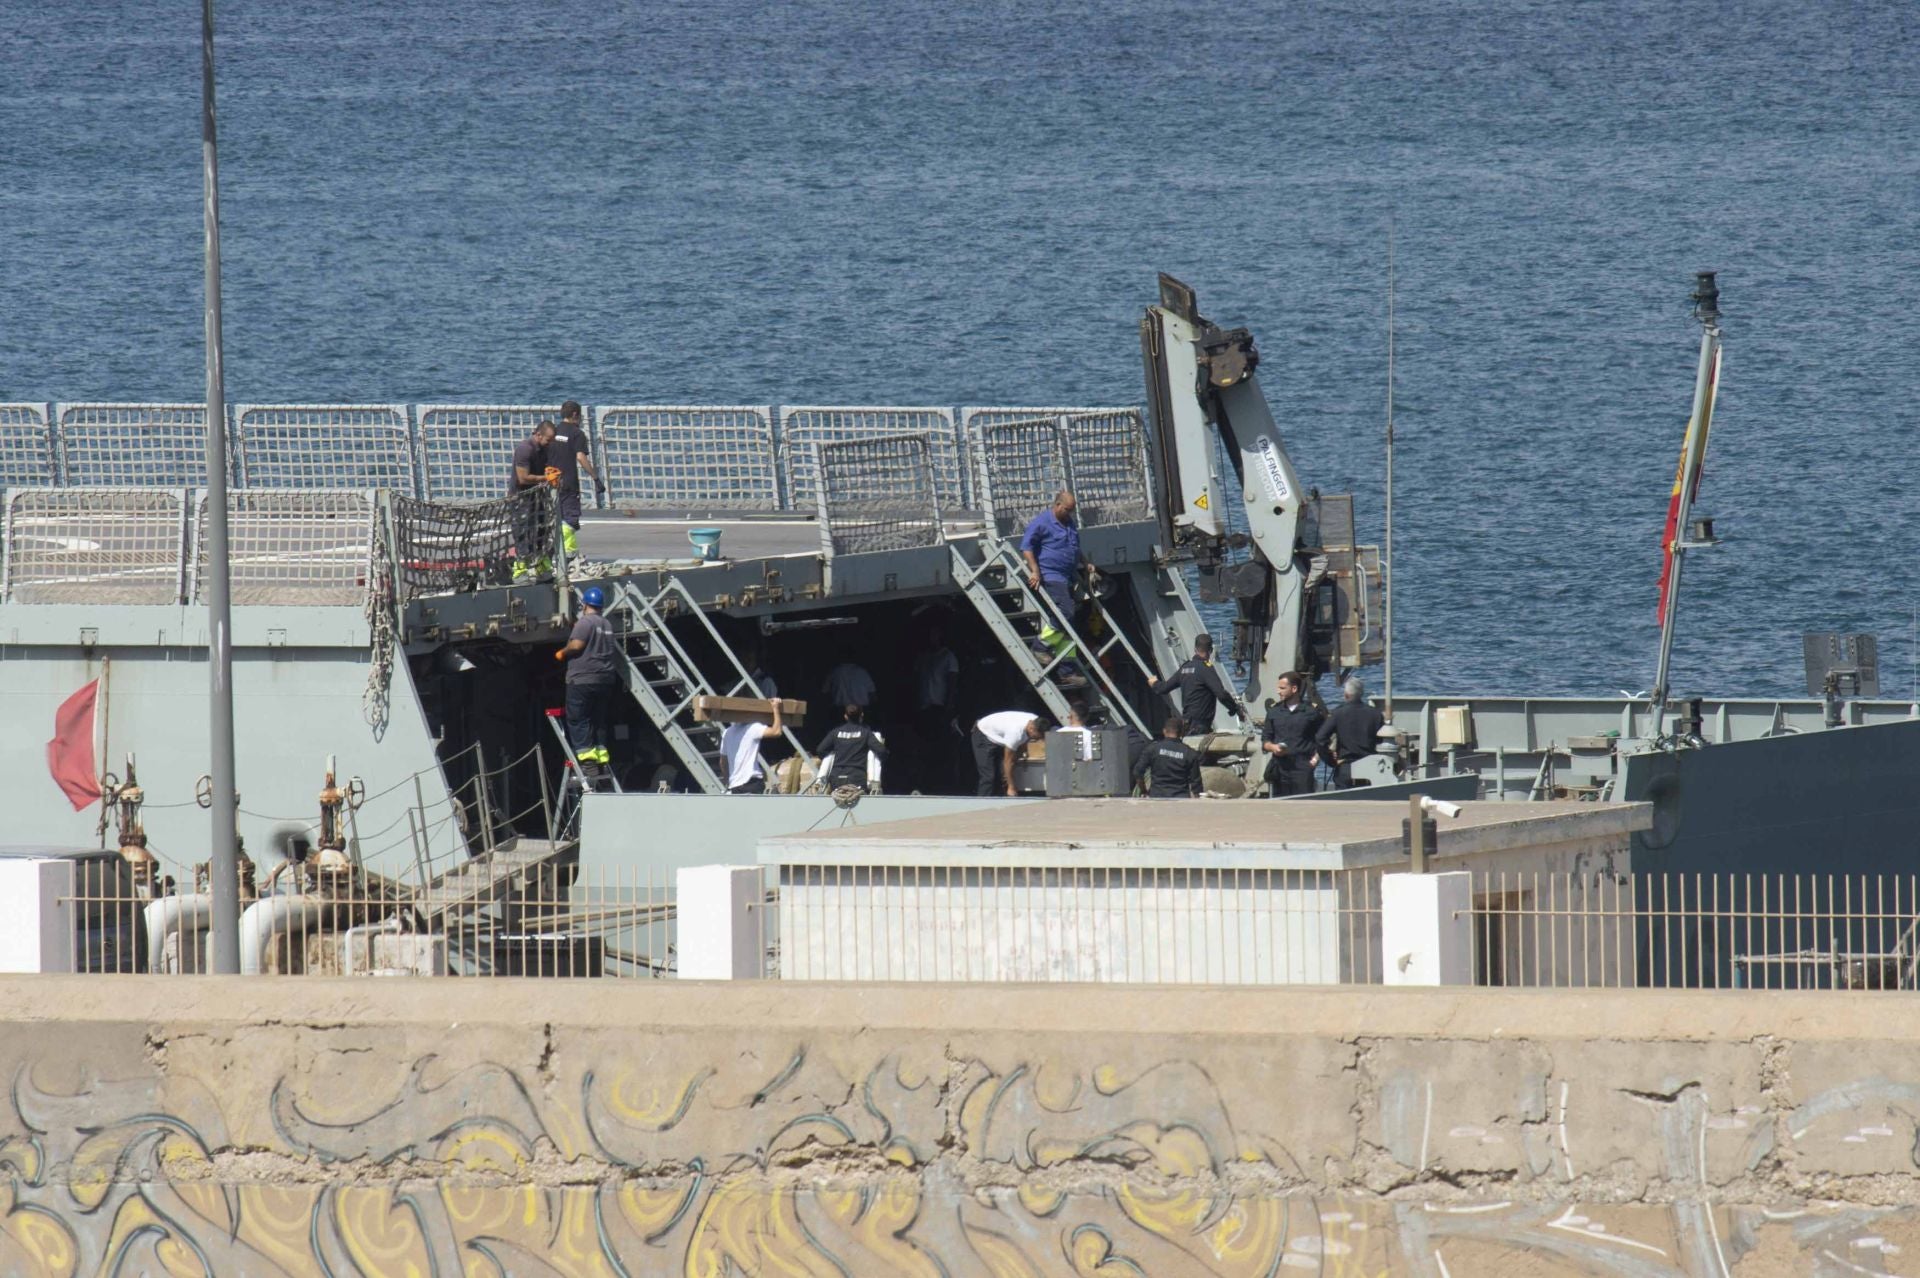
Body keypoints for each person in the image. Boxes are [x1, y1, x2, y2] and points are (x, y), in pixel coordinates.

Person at [554, 585, 618, 778]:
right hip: (605, 679)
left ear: (585, 605)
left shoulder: (585, 623)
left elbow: (577, 645)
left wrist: (562, 653)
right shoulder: (607, 625)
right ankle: (602, 761)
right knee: (598, 721)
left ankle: (588, 763)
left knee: (578, 719)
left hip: (582, 680)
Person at [1147, 635, 1246, 732]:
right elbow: (1221, 694)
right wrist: (1235, 709)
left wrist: (1154, 683)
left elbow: (1164, 688)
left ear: (1195, 649)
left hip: (1186, 724)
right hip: (1200, 726)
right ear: (1211, 651)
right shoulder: (1206, 668)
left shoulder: (1185, 668)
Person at [549, 400, 602, 559]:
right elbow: (580, 457)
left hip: (551, 481)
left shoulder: (554, 431)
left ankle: (556, 551)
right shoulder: (577, 433)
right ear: (575, 415)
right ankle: (570, 554)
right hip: (569, 481)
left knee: (556, 515)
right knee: (570, 518)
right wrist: (595, 477)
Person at [509, 420, 559, 580]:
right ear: (538, 435)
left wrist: (552, 473)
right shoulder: (525, 450)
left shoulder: (544, 449)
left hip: (537, 496)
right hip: (521, 498)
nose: (550, 443)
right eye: (548, 439)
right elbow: (522, 478)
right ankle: (520, 570)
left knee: (541, 530)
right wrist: (546, 478)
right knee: (523, 532)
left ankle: (540, 566)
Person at [1316, 677, 1387, 790]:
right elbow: (1382, 741)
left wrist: (1330, 760)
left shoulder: (1338, 713)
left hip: (1346, 766)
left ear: (1346, 695)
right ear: (1362, 693)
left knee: (1344, 802)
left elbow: (1320, 738)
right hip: (1369, 765)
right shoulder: (1376, 714)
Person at [1261, 671, 1323, 797]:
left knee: (1304, 804)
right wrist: (1273, 748)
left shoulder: (1311, 712)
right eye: (1278, 688)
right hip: (1280, 767)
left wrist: (1316, 759)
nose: (1279, 691)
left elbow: (1323, 738)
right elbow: (1265, 740)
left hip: (1302, 766)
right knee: (1280, 805)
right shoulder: (1274, 712)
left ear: (1294, 689)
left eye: (1282, 688)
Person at [971, 710, 1046, 797]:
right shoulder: (1015, 733)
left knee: (1003, 774)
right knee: (989, 776)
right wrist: (1011, 787)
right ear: (1031, 729)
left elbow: (1022, 746)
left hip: (1000, 736)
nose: (1036, 740)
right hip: (983, 734)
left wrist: (1015, 760)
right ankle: (982, 803)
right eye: (1035, 737)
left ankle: (1000, 801)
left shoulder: (1036, 720)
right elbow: (1008, 761)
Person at [815, 704, 888, 792]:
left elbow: (820, 750)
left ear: (845, 716)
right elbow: (881, 751)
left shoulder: (835, 732)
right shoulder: (866, 733)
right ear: (861, 715)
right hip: (857, 778)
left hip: (836, 778)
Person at [721, 700, 783, 795]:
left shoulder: (727, 732)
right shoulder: (752, 728)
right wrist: (776, 708)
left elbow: (723, 761)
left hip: (734, 785)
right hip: (751, 783)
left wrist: (727, 781)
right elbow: (776, 731)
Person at [1133, 716, 1203, 798]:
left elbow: (1137, 772)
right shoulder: (1190, 753)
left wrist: (1143, 791)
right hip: (1181, 799)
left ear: (1164, 731)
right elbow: (1197, 785)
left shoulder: (1152, 749)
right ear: (1182, 733)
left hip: (1156, 797)